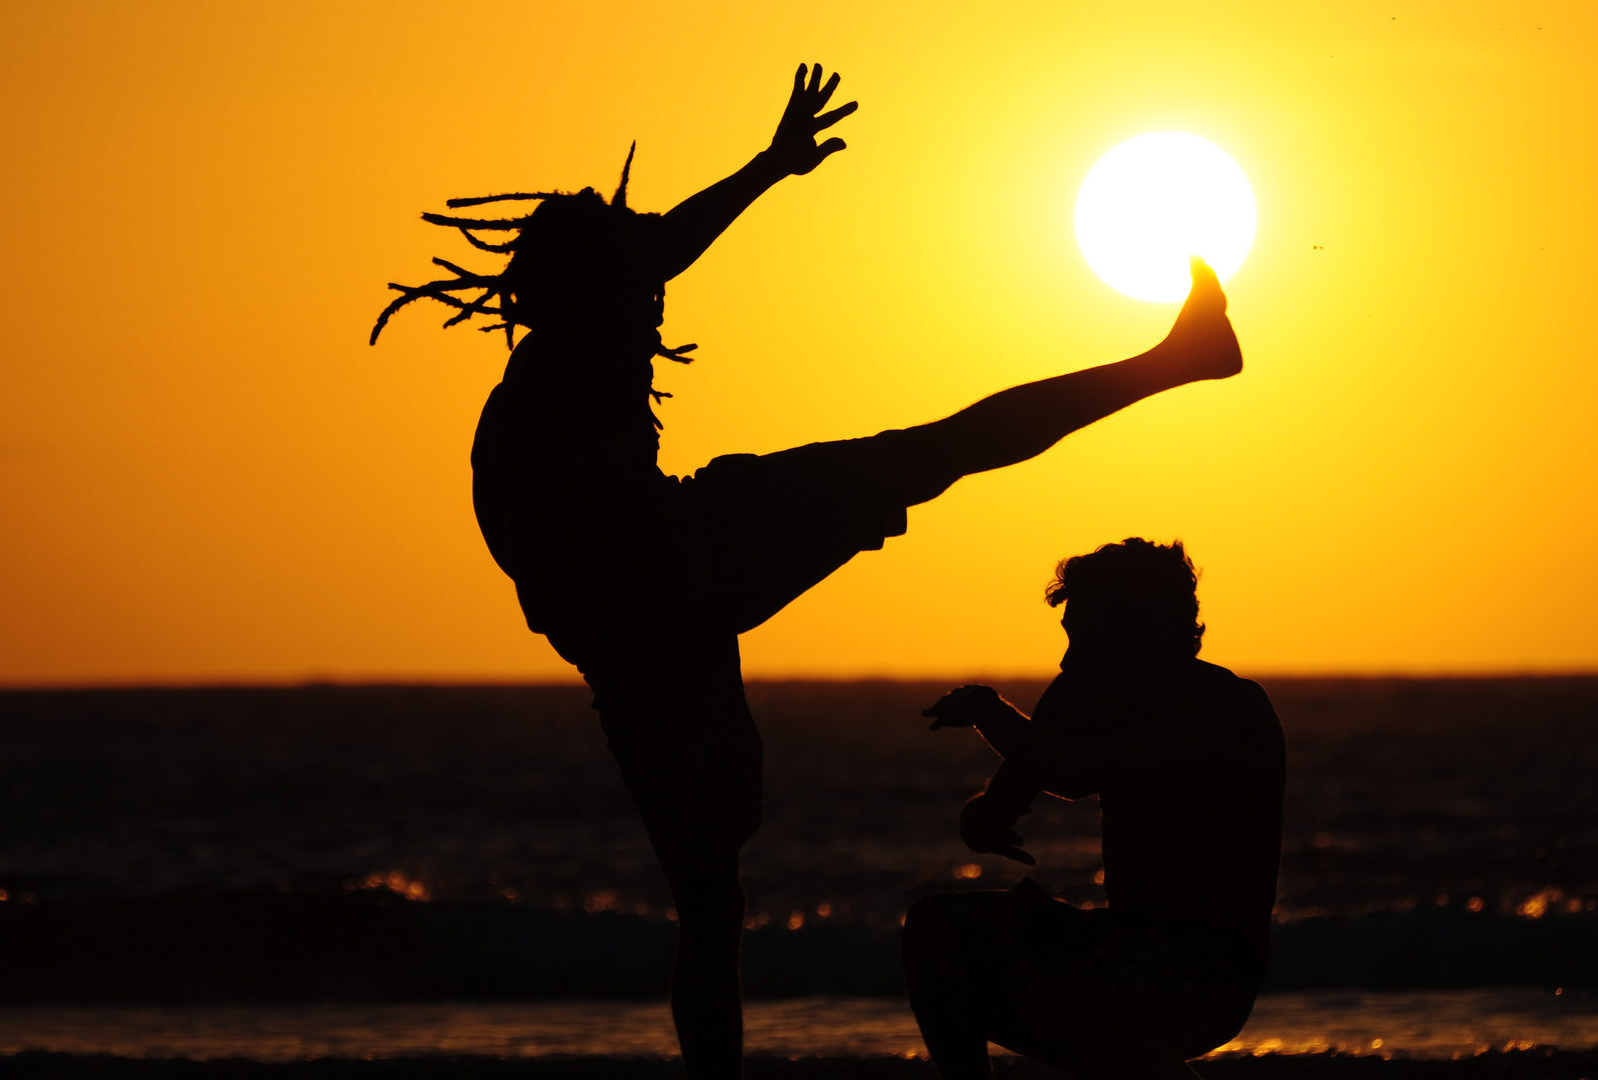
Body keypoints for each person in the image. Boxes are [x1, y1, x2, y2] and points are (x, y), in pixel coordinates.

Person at [372, 66, 1245, 1080]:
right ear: (586, 289)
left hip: (663, 620)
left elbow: (655, 262)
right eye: (636, 277)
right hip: (687, 579)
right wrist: (766, 169)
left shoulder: (560, 371)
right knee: (713, 898)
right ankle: (1178, 360)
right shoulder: (554, 382)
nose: (656, 294)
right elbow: (539, 534)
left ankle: (1179, 358)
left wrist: (770, 168)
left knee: (711, 899)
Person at [907, 539, 1286, 1080]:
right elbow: (1012, 795)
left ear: (1142, 634)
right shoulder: (1090, 692)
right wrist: (984, 816)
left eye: (1084, 639)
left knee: (1065, 998)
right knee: (937, 927)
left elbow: (1074, 770)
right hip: (1123, 937)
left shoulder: (1225, 707)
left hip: (1209, 968)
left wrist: (991, 715)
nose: (1067, 658)